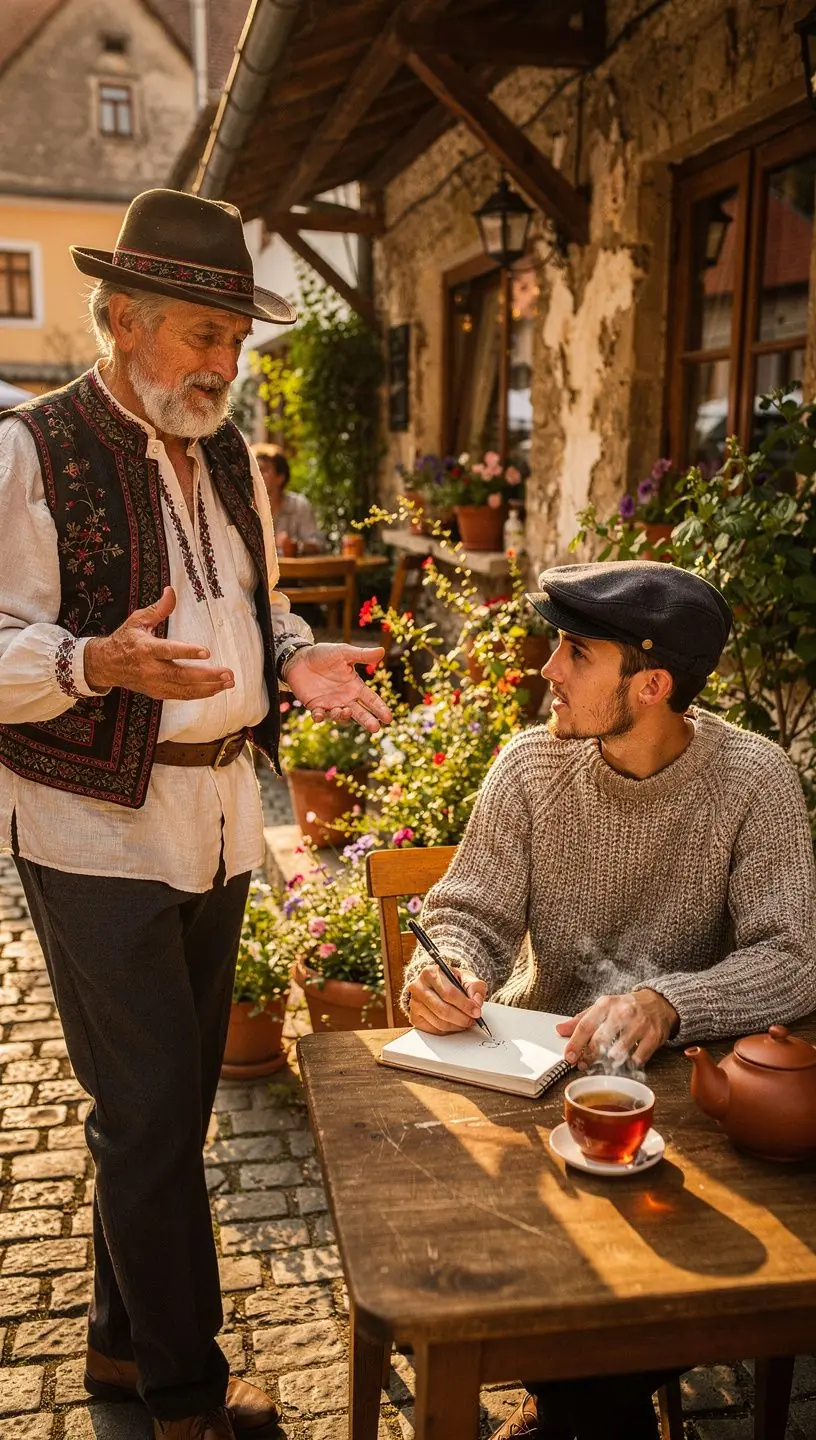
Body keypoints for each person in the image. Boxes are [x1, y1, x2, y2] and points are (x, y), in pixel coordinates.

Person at [0, 188, 391, 1440]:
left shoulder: (225, 449)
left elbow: (249, 603)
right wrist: (93, 664)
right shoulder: (30, 448)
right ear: (118, 320)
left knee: (151, 1110)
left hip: (220, 817)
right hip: (92, 825)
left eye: (233, 340)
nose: (221, 364)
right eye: (195, 335)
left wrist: (294, 659)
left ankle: (121, 1352)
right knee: (159, 1107)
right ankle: (189, 1393)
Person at [402, 560, 816, 1440]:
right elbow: (468, 911)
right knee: (453, 1259)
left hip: (685, 1121)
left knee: (623, 1316)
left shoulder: (756, 781)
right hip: (527, 1089)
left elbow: (793, 958)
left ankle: (568, 1404)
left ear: (651, 684)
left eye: (575, 651)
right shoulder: (529, 766)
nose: (548, 669)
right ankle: (574, 1404)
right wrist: (448, 971)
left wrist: (666, 1002)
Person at [251, 442, 325, 554]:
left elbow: (319, 544)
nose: (256, 476)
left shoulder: (299, 505)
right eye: (255, 470)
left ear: (280, 478)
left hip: (293, 571)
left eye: (263, 470)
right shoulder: (246, 508)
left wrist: (294, 546)